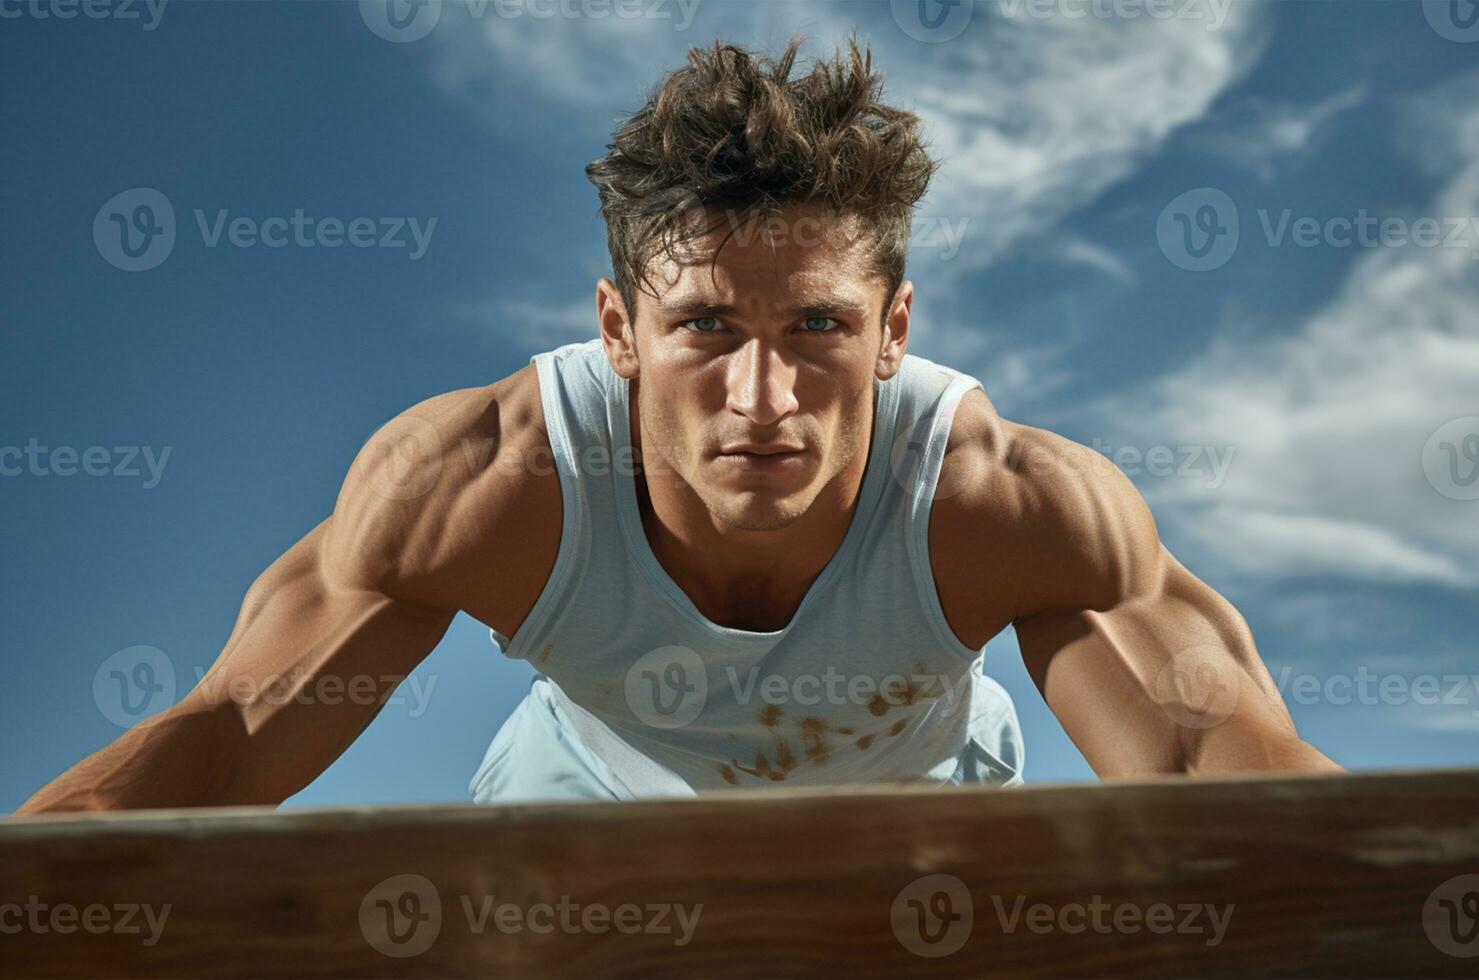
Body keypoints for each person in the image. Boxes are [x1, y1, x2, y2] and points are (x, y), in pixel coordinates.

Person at [15, 37, 1339, 816]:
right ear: (618, 330)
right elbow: (214, 753)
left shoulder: (1010, 508)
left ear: (893, 332)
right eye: (707, 328)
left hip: (914, 830)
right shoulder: (479, 486)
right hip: (574, 810)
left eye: (816, 330)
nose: (763, 402)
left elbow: (1228, 768)